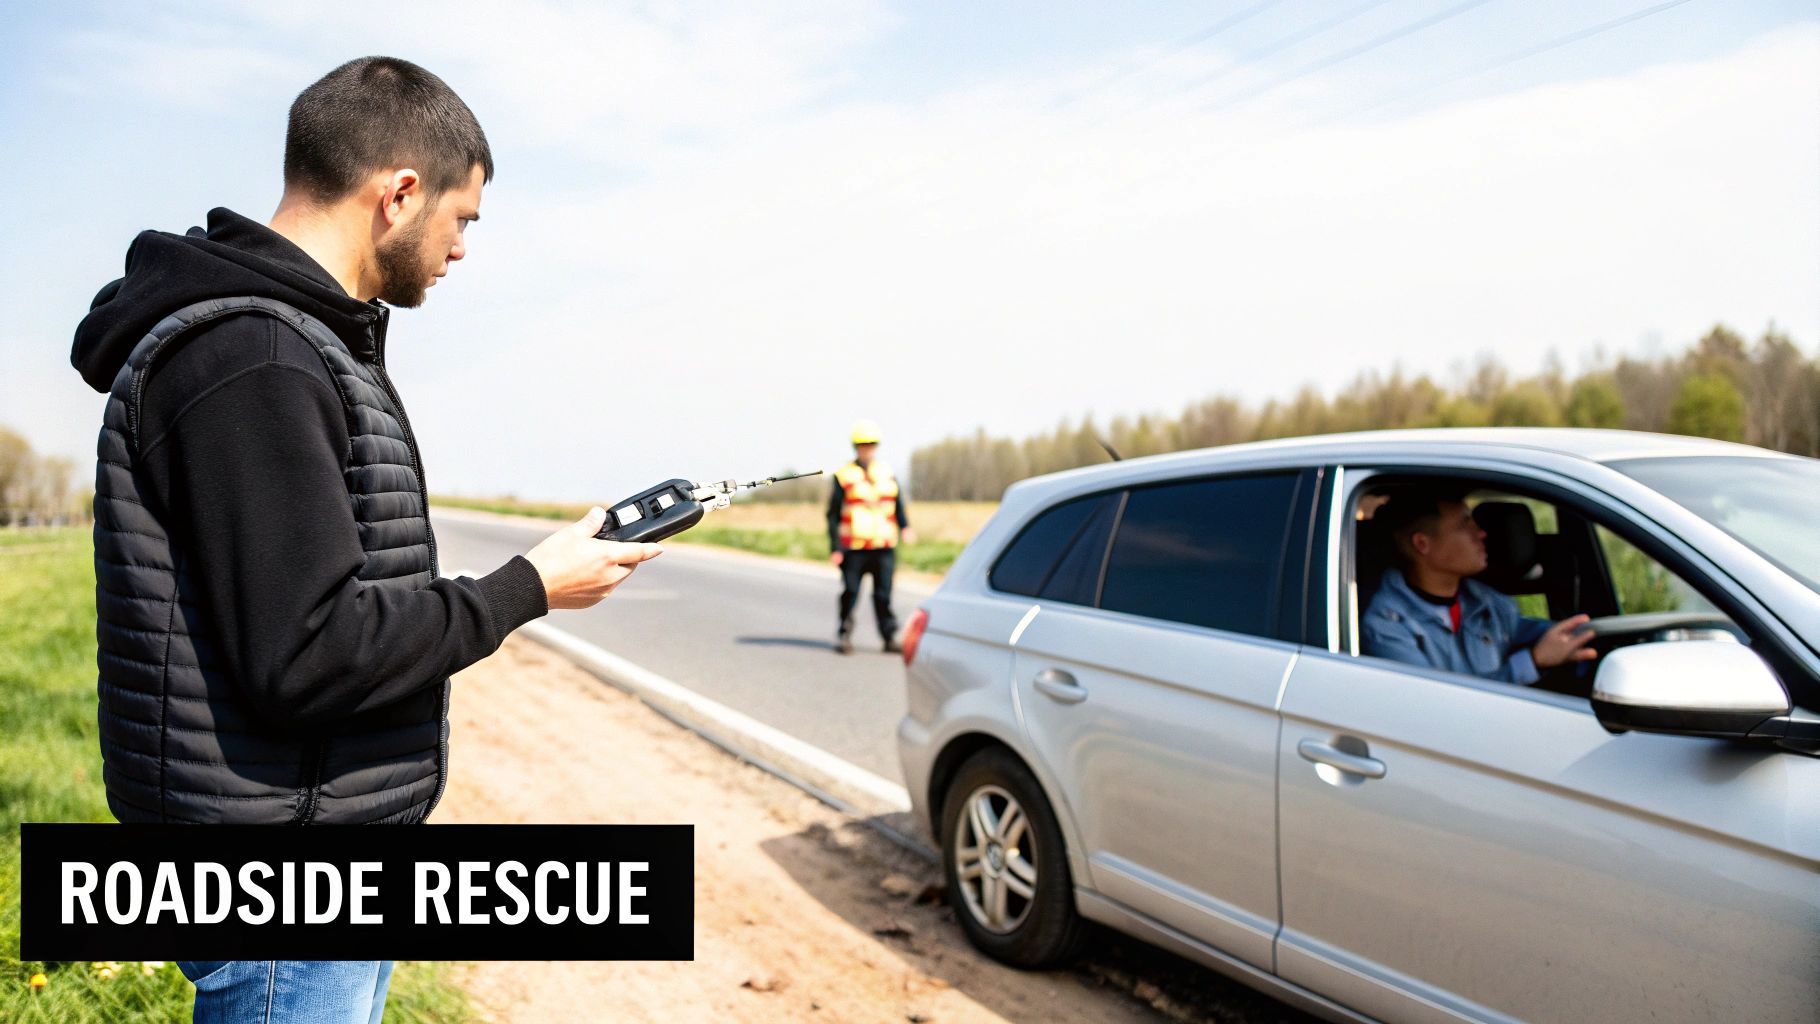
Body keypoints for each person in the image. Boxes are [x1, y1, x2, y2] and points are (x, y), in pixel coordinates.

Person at [69, 57, 661, 1023]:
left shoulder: (299, 344)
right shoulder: (254, 358)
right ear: (400, 192)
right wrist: (529, 588)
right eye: (463, 219)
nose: (462, 250)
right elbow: (308, 652)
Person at [1361, 487, 1596, 684]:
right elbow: (1438, 708)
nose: (1482, 533)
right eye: (1465, 524)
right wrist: (1533, 662)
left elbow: (1545, 634)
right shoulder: (1385, 625)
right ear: (1422, 544)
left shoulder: (1488, 603)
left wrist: (1586, 639)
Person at [827, 419, 915, 654]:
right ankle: (844, 634)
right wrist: (835, 548)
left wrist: (905, 527)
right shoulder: (844, 476)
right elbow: (833, 515)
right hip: (853, 547)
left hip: (883, 545)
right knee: (851, 592)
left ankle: (888, 637)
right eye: (863, 444)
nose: (867, 448)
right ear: (856, 447)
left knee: (883, 594)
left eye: (871, 444)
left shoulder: (886, 472)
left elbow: (897, 504)